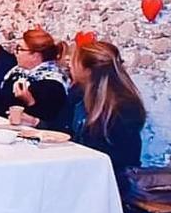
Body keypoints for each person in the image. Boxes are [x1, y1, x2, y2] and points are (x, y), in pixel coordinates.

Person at [62, 41, 146, 176]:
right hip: (81, 167)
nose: (69, 65)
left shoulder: (123, 107)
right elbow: (64, 127)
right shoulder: (78, 93)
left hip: (111, 176)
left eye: (74, 61)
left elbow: (122, 157)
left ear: (88, 71)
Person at [0, 28, 69, 123]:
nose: (15, 53)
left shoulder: (52, 84)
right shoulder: (16, 72)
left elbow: (49, 122)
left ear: (35, 56)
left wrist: (29, 101)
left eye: (19, 49)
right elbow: (0, 103)